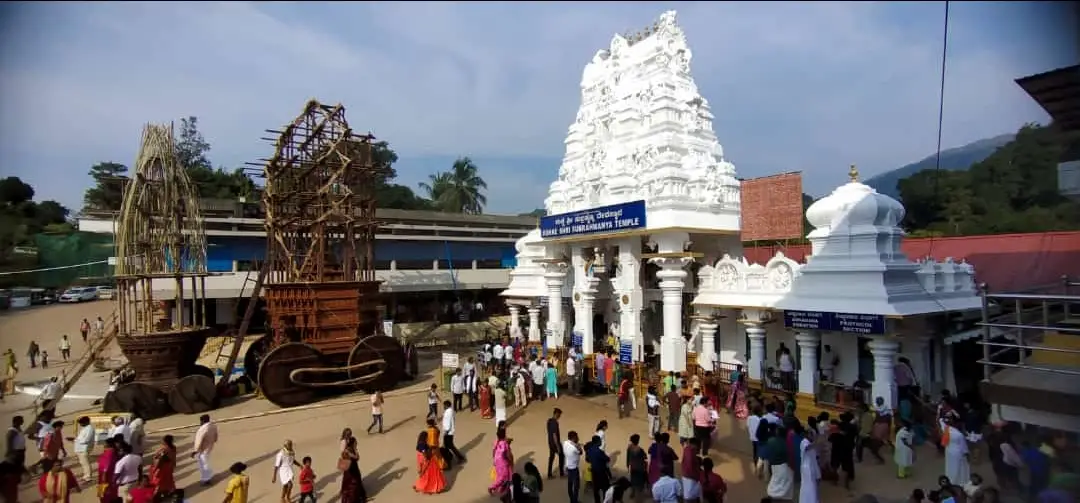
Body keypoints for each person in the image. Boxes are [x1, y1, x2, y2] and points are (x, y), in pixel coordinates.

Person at [764, 425, 794, 500]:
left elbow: (765, 458)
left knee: (774, 485)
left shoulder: (770, 441)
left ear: (777, 433)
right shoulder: (787, 444)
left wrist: (766, 472)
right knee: (785, 490)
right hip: (784, 467)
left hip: (774, 467)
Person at [942, 416, 971, 486]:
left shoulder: (946, 430)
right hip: (958, 452)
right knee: (960, 468)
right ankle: (960, 482)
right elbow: (964, 448)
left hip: (949, 450)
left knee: (950, 466)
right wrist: (968, 456)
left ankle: (950, 479)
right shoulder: (959, 435)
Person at [149, 435, 177, 499]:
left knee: (158, 481)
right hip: (170, 466)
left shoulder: (164, 449)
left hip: (163, 467)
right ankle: (168, 492)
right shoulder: (173, 447)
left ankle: (157, 495)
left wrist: (154, 468)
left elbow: (159, 459)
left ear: (165, 441)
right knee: (168, 480)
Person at [489, 427, 514, 497]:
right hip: (503, 462)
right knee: (503, 477)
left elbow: (494, 452)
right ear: (504, 435)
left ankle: (501, 488)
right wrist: (510, 462)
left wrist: (494, 460)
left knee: (499, 475)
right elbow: (508, 454)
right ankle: (492, 487)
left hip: (497, 461)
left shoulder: (496, 442)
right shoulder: (505, 444)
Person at [193, 414, 217, 485]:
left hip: (203, 449)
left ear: (203, 421)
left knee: (203, 464)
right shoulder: (213, 426)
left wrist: (195, 451)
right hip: (210, 446)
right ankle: (207, 477)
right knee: (206, 462)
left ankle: (206, 479)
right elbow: (216, 437)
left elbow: (199, 440)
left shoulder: (202, 429)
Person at [587, 434, 612, 503]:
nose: (601, 442)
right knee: (606, 489)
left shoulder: (589, 450)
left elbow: (587, 459)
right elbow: (607, 459)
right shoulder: (599, 451)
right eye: (600, 441)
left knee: (596, 490)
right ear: (597, 442)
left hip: (594, 473)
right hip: (601, 473)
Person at [799, 426, 821, 503]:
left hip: (813, 468)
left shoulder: (812, 444)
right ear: (808, 435)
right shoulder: (804, 442)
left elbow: (816, 458)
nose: (814, 437)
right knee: (808, 487)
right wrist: (816, 442)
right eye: (812, 435)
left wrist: (818, 473)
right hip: (806, 469)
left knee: (813, 488)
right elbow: (807, 448)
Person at [441, 400, 466, 465]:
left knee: (449, 446)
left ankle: (456, 458)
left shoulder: (448, 413)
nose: (443, 407)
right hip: (449, 431)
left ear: (446, 405)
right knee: (448, 446)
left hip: (448, 432)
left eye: (444, 405)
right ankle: (451, 457)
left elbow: (448, 423)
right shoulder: (450, 411)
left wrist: (446, 432)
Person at [624, 434, 648, 498]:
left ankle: (632, 492)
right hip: (640, 467)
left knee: (633, 479)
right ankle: (639, 492)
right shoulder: (640, 450)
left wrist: (627, 465)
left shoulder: (629, 447)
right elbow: (645, 457)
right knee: (640, 480)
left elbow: (628, 457)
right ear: (638, 441)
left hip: (633, 467)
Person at [96, 437, 119, 503]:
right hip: (109, 481)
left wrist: (104, 486)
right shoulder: (113, 453)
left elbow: (105, 471)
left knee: (104, 499)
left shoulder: (108, 455)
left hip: (105, 482)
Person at [680, 437, 702, 503]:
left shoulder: (686, 449)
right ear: (695, 444)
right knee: (690, 496)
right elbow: (690, 462)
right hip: (691, 477)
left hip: (686, 475)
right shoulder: (691, 450)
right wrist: (696, 477)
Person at [564, 431, 584, 503]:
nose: (578, 438)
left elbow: (571, 443)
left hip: (567, 466)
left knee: (570, 485)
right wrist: (578, 445)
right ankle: (574, 501)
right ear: (573, 438)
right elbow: (581, 452)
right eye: (576, 437)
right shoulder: (574, 448)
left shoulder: (565, 443)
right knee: (576, 486)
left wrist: (575, 443)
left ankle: (572, 500)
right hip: (574, 468)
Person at [547, 408, 565, 479]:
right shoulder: (555, 423)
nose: (559, 416)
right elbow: (554, 434)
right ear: (556, 414)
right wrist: (557, 446)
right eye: (559, 415)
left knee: (551, 458)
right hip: (555, 443)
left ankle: (549, 474)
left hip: (550, 442)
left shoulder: (549, 421)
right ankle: (561, 473)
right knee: (561, 456)